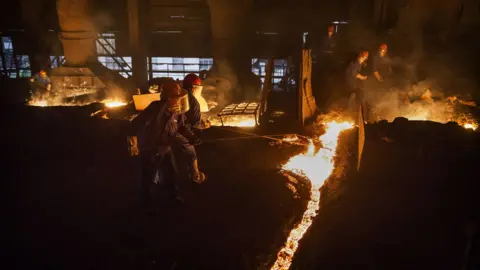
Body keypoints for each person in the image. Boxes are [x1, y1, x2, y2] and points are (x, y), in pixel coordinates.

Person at [129, 81, 206, 208]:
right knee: (148, 178)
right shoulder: (155, 109)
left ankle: (173, 197)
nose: (179, 99)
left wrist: (192, 138)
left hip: (166, 148)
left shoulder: (177, 112)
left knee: (171, 174)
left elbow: (181, 127)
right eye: (176, 97)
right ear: (168, 97)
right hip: (151, 149)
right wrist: (133, 144)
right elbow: (136, 124)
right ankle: (145, 204)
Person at [346, 50, 369, 115]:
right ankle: (353, 109)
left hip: (354, 81)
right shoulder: (356, 63)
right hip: (350, 80)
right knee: (357, 93)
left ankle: (356, 108)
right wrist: (362, 77)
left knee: (358, 92)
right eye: (365, 57)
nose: (366, 58)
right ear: (362, 56)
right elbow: (354, 73)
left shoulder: (360, 62)